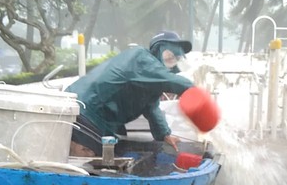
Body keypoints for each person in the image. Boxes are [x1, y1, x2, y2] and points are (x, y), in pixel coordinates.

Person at [65, 30, 196, 157]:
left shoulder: (149, 81)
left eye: (176, 57)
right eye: (170, 54)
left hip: (94, 119)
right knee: (83, 161)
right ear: (158, 49)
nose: (173, 59)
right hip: (83, 111)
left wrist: (165, 135)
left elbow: (152, 109)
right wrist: (195, 91)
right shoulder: (141, 59)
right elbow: (171, 81)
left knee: (105, 158)